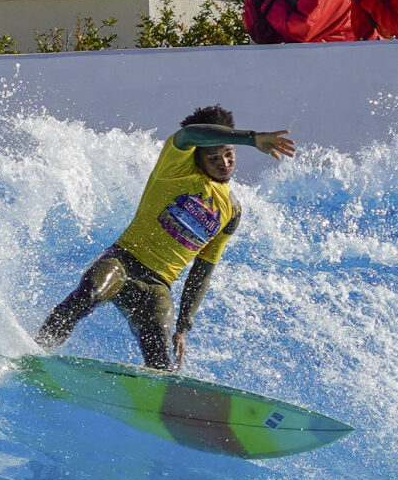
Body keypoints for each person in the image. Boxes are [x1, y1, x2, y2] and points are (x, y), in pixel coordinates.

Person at [35, 105, 296, 372]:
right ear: (197, 156)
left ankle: (158, 400)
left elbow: (203, 269)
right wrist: (252, 138)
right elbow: (190, 135)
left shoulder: (231, 211)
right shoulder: (176, 167)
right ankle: (36, 354)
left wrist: (183, 326)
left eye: (228, 154)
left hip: (157, 286)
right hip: (122, 261)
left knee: (161, 359)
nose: (224, 163)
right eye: (213, 157)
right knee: (86, 296)